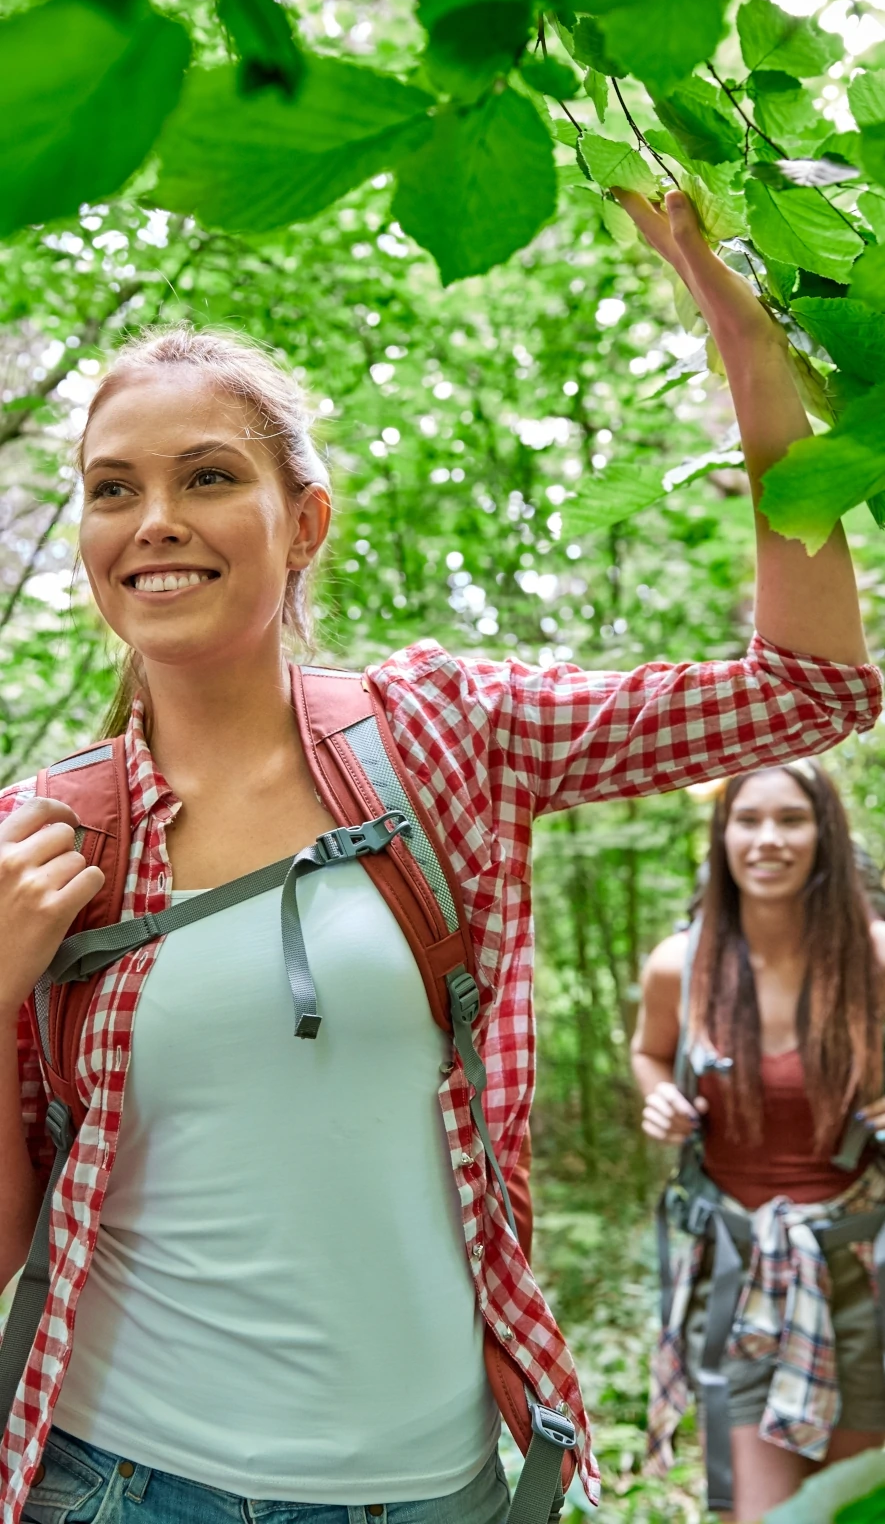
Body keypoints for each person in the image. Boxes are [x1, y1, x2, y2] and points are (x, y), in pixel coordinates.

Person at [0, 186, 881, 1524]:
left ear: (307, 522)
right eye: (113, 489)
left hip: (439, 1488)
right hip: (125, 1480)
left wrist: (748, 355)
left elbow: (805, 691)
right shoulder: (46, 837)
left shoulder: (449, 735)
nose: (155, 519)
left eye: (210, 476)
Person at [633, 760, 885, 1521]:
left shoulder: (874, 957)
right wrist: (661, 1099)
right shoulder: (681, 965)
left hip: (861, 1270)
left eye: (790, 820)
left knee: (857, 1505)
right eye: (748, 820)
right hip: (739, 1275)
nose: (767, 839)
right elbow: (649, 1053)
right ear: (722, 835)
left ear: (824, 835)